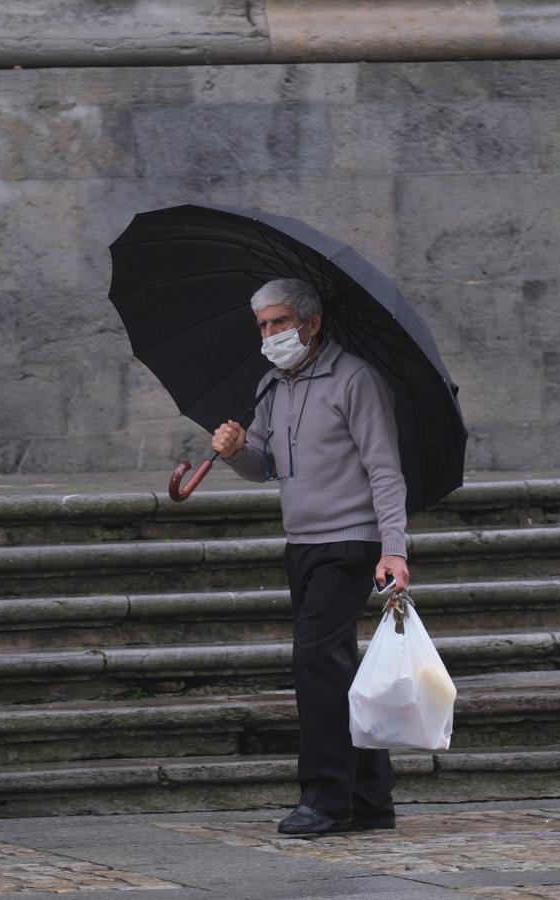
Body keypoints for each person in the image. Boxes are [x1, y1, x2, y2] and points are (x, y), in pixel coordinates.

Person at [211, 277, 409, 836]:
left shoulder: (356, 379)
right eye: (263, 326)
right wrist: (234, 451)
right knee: (337, 669)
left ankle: (325, 798)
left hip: (351, 541)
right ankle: (371, 798)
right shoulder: (271, 385)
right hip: (301, 543)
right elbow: (266, 464)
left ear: (311, 323)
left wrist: (393, 549)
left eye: (280, 323)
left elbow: (385, 470)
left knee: (314, 663)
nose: (271, 335)